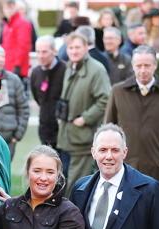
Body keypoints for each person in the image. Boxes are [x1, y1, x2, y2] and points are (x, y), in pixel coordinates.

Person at [105, 45, 159, 192]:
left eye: (147, 65)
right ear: (132, 66)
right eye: (138, 66)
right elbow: (108, 130)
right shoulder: (118, 92)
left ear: (155, 65)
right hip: (124, 170)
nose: (143, 70)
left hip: (158, 173)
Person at [56, 33, 110, 193]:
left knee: (76, 186)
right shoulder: (69, 67)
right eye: (71, 47)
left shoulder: (97, 69)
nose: (74, 51)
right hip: (66, 136)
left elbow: (105, 99)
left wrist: (85, 118)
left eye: (77, 47)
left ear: (86, 48)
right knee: (64, 181)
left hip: (83, 138)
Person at [29, 36, 66, 151]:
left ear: (54, 51)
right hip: (44, 128)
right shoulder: (35, 73)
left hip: (63, 130)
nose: (41, 56)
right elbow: (37, 98)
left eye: (44, 52)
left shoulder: (66, 70)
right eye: (38, 52)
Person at [1, 0, 32, 80]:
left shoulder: (22, 24)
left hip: (18, 70)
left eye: (11, 6)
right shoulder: (7, 25)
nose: (8, 10)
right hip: (7, 67)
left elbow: (23, 46)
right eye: (6, 7)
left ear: (15, 7)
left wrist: (17, 66)